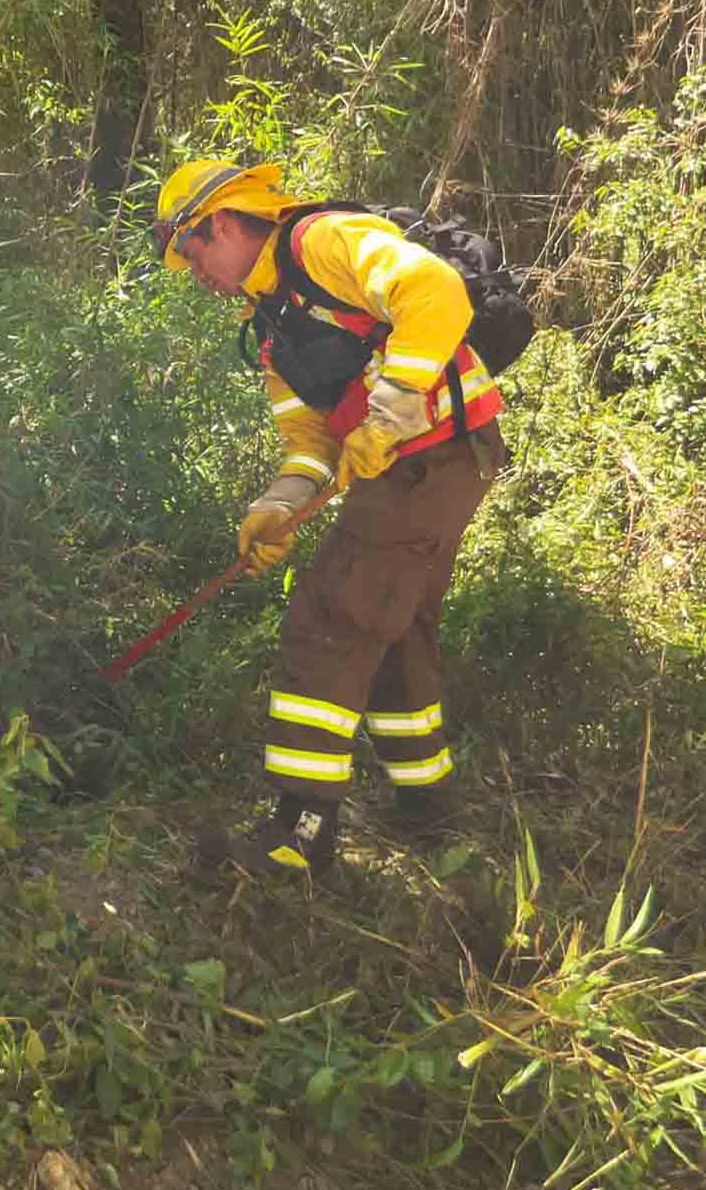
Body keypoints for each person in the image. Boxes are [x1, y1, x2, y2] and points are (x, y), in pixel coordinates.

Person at [151, 159, 508, 881]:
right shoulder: (271, 327)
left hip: (431, 455)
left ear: (219, 222)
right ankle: (427, 808)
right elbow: (309, 445)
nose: (197, 277)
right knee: (393, 624)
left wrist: (396, 402)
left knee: (330, 619)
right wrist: (276, 506)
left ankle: (299, 832)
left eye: (192, 255)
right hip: (426, 467)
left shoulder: (322, 241)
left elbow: (433, 290)